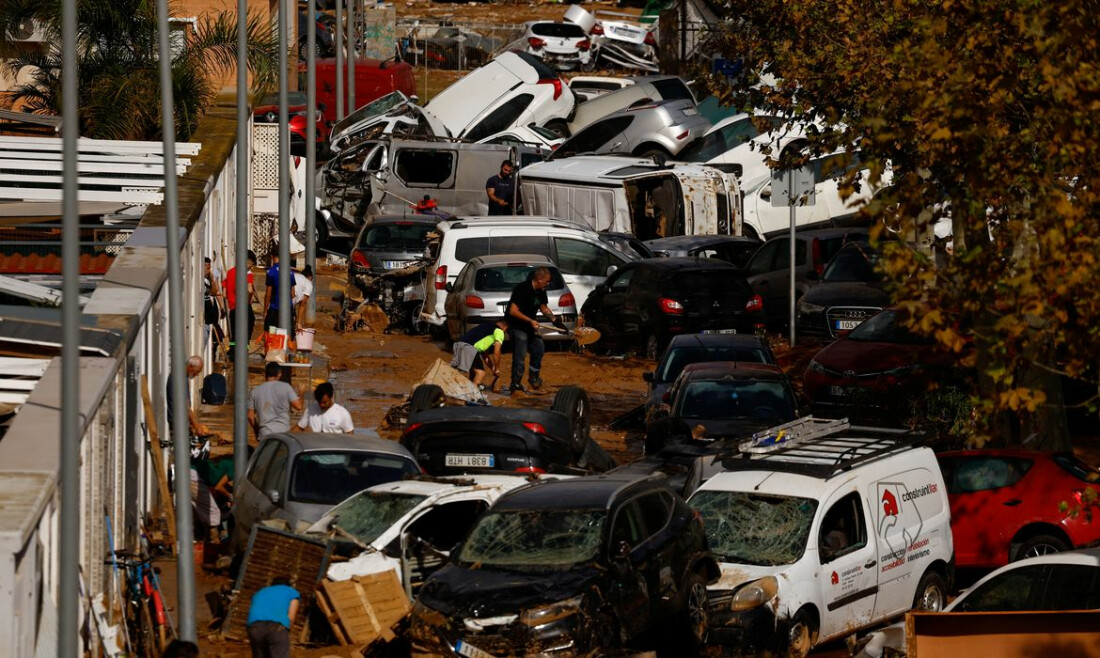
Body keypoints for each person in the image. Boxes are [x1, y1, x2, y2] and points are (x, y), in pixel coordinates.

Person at [505, 267, 563, 394]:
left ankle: (534, 378)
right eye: (547, 281)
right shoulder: (523, 289)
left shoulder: (541, 290)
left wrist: (555, 320)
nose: (548, 284)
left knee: (539, 346)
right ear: (539, 279)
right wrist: (530, 321)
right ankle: (515, 384)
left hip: (529, 326)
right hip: (517, 325)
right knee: (520, 354)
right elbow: (513, 311)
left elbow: (543, 307)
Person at [247, 362, 304, 439]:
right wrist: (302, 392)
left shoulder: (255, 391)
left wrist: (257, 431)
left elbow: (250, 416)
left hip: (264, 434)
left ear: (265, 373)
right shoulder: (286, 387)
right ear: (279, 374)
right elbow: (299, 406)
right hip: (283, 434)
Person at [246, 576, 300, 658]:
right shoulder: (291, 592)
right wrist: (285, 631)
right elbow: (291, 616)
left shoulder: (260, 592)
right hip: (276, 627)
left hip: (255, 627)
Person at [451, 319, 508, 389]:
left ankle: (461, 389)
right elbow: (497, 352)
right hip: (469, 348)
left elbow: (485, 356)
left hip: (459, 345)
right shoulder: (499, 331)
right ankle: (473, 396)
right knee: (480, 372)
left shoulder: (487, 327)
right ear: (505, 328)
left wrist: (493, 368)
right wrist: (497, 368)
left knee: (472, 373)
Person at [225, 249, 259, 354]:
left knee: (234, 331)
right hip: (244, 306)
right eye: (251, 264)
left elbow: (224, 292)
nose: (251, 267)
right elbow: (249, 290)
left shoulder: (230, 272)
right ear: (247, 261)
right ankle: (244, 349)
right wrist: (249, 297)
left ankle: (233, 351)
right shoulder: (248, 273)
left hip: (233, 307)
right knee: (248, 326)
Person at [166, 355, 209, 438]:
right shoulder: (179, 377)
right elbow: (185, 405)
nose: (197, 375)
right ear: (190, 366)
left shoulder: (183, 376)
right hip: (178, 423)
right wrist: (196, 425)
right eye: (197, 371)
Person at [263, 245, 296, 333]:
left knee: (272, 334)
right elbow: (293, 294)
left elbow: (268, 294)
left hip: (274, 310)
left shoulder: (271, 272)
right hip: (287, 309)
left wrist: (265, 311)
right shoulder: (290, 272)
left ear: (272, 256)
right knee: (287, 335)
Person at [203, 257, 227, 361]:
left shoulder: (209, 279)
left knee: (216, 335)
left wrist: (212, 279)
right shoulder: (199, 280)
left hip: (212, 309)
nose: (209, 270)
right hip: (205, 311)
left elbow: (214, 291)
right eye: (207, 268)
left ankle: (213, 356)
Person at [293, 265, 314, 332]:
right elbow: (303, 304)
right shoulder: (309, 283)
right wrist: (299, 323)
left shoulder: (294, 275)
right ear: (310, 277)